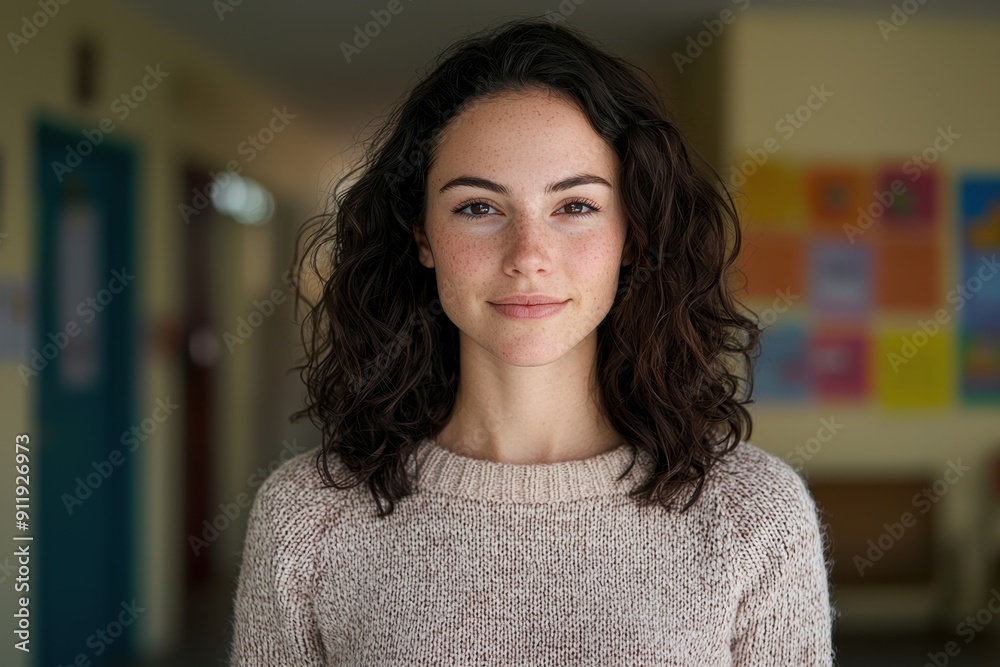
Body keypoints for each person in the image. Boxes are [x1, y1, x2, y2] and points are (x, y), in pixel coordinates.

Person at [228, 16, 835, 666]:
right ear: (422, 236)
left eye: (575, 206)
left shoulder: (753, 514)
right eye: (478, 207)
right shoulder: (309, 519)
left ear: (630, 234)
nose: (529, 256)